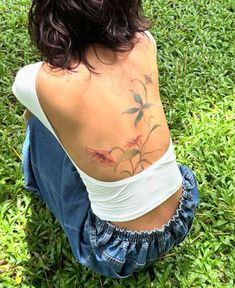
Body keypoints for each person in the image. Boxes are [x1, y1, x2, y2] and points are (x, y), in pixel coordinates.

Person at [12, 0, 199, 278]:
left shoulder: (35, 81)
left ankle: (37, 180)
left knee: (40, 125)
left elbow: (31, 117)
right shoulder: (144, 42)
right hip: (182, 213)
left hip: (114, 251)